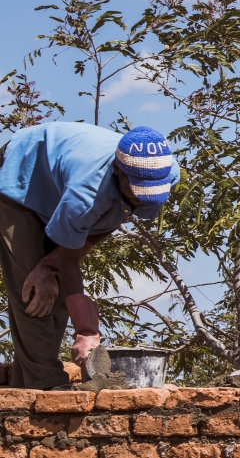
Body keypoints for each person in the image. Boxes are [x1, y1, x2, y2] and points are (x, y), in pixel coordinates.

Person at [0, 122, 179, 390]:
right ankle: (47, 386)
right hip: (24, 175)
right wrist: (86, 329)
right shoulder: (85, 194)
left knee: (55, 287)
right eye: (137, 190)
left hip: (61, 189)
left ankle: (27, 386)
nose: (144, 198)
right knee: (33, 287)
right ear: (117, 170)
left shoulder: (162, 174)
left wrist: (50, 265)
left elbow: (109, 220)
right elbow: (70, 260)